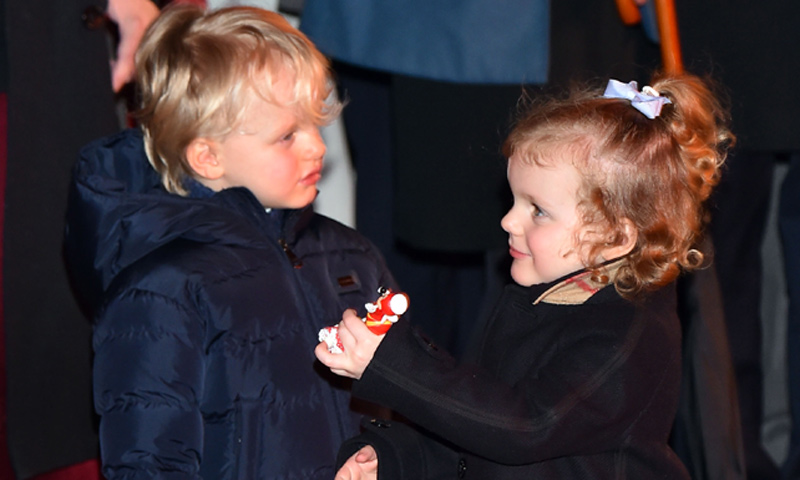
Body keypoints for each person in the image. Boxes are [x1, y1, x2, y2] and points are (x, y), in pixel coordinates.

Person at [315, 73, 733, 479]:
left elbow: (525, 428)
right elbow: (475, 423)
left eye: (538, 210)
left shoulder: (629, 333)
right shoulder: (537, 298)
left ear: (615, 236)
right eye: (515, 200)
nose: (508, 221)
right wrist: (397, 458)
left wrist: (393, 365)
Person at [63, 5, 398, 478]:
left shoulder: (351, 258)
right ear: (207, 156)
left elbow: (406, 404)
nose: (318, 147)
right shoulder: (162, 289)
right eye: (288, 135)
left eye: (316, 125)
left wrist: (391, 456)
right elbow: (150, 461)